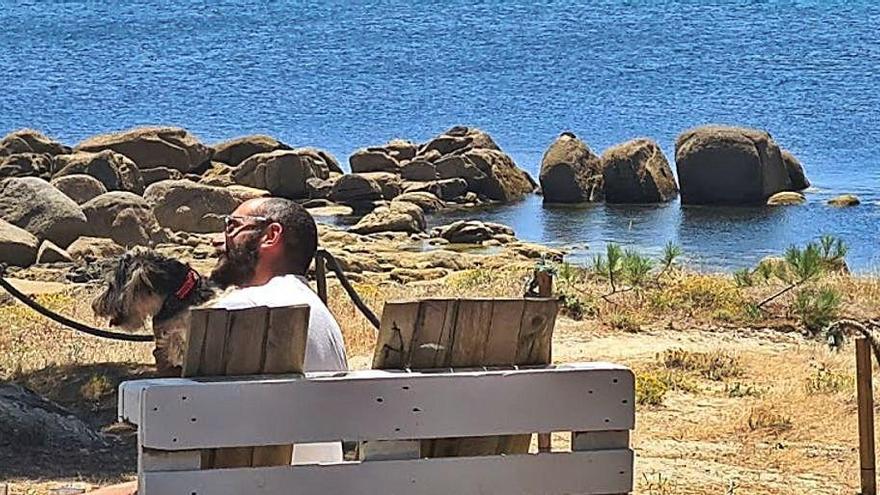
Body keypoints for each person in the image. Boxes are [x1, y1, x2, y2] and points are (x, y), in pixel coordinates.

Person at [211, 196, 348, 463]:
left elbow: (182, 419)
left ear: (271, 235)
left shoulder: (243, 309)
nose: (217, 240)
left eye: (232, 227)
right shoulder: (321, 316)